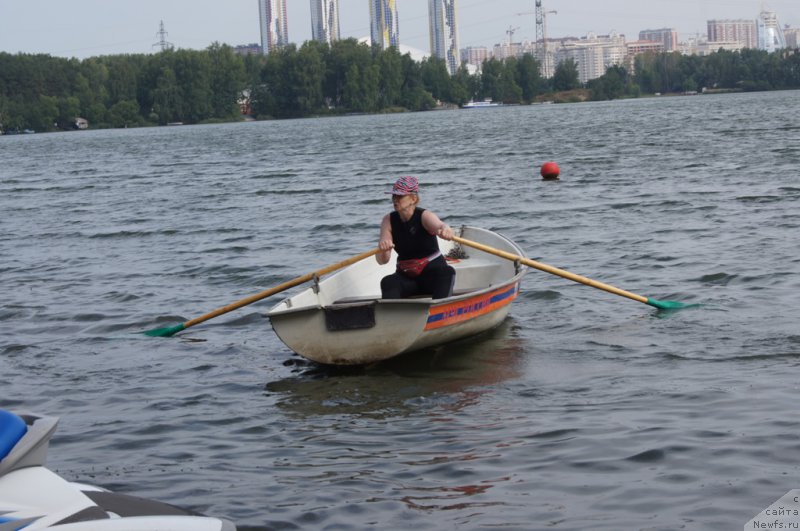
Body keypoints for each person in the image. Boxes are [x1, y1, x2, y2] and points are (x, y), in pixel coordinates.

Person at [377, 176, 456, 299]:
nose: (395, 200)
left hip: (432, 276)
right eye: (394, 196)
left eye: (400, 196)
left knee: (448, 272)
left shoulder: (424, 216)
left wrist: (446, 229)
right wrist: (384, 248)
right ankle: (392, 315)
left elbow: (440, 225)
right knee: (388, 281)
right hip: (407, 278)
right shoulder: (388, 220)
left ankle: (438, 312)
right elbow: (382, 261)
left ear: (413, 199)